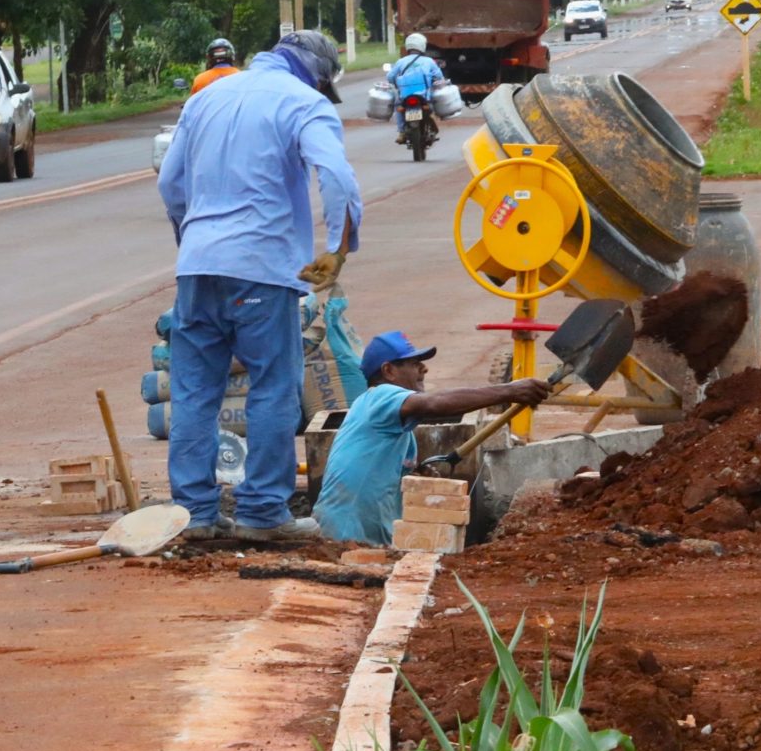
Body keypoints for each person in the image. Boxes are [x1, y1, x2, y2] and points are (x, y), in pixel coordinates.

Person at [157, 29, 363, 542]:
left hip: (197, 267)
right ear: (317, 74)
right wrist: (338, 248)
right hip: (262, 268)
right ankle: (262, 511)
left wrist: (195, 238)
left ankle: (195, 515)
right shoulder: (304, 102)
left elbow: (169, 183)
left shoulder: (206, 98)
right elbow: (334, 175)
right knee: (273, 387)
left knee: (193, 392)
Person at [312, 331, 551, 545]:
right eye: (415, 363)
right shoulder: (380, 396)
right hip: (344, 537)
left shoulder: (400, 432)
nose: (424, 369)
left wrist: (416, 477)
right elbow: (435, 403)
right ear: (388, 371)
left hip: (367, 540)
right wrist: (509, 391)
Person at [387, 34, 444, 145]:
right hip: (424, 96)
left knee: (397, 106)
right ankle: (432, 120)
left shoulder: (401, 61)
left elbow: (390, 77)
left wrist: (395, 83)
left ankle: (401, 131)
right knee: (433, 103)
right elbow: (439, 77)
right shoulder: (429, 61)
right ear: (422, 46)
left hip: (405, 96)